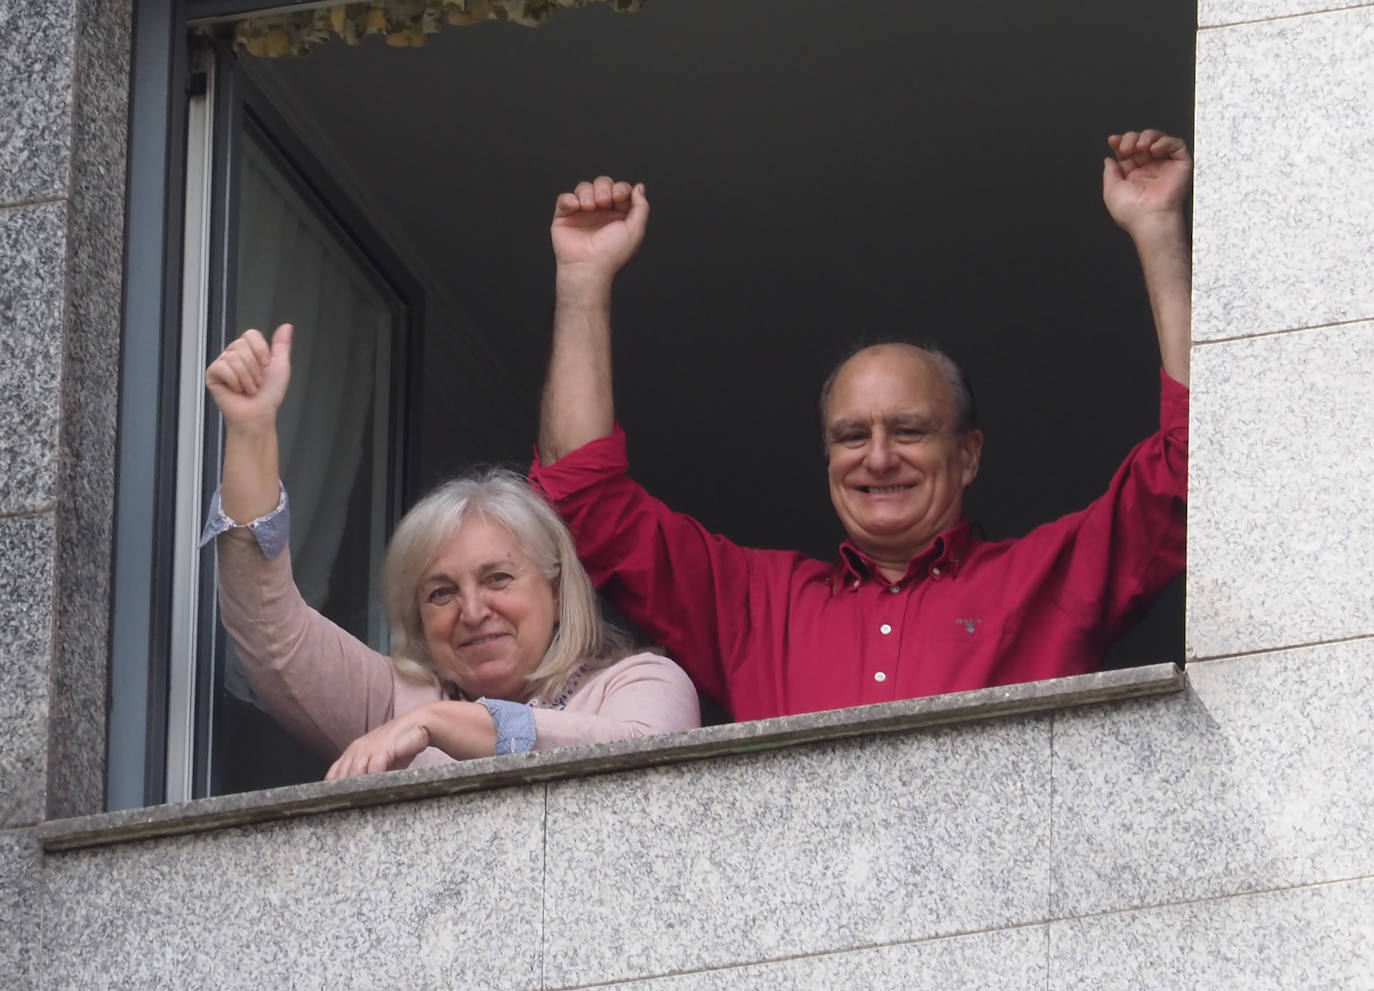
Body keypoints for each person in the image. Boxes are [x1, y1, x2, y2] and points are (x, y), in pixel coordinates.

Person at [530, 129, 1192, 722]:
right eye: (851, 436)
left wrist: (1158, 230)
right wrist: (584, 278)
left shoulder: (1050, 578)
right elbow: (582, 503)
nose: (877, 458)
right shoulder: (755, 606)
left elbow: (1204, 460)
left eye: (908, 431)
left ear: (968, 455)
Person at [203, 325, 699, 779]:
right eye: (441, 593)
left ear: (555, 588)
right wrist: (250, 433)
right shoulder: (396, 700)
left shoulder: (640, 681)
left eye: (498, 578)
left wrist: (442, 723)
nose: (474, 611)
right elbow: (270, 631)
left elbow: (646, 753)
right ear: (417, 616)